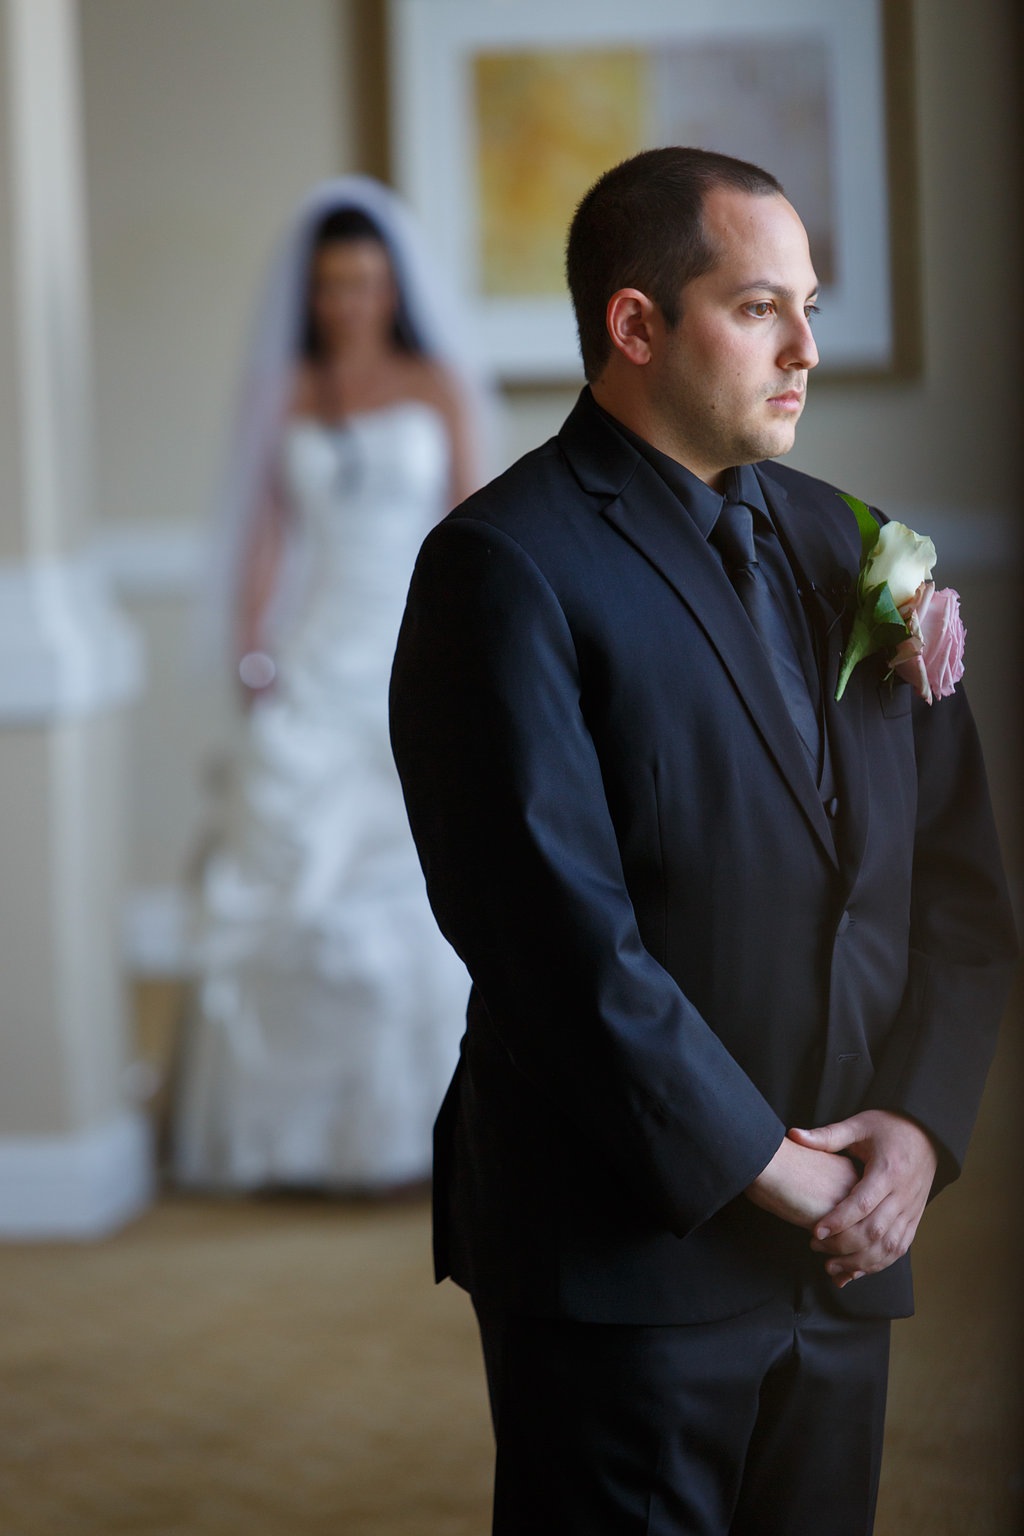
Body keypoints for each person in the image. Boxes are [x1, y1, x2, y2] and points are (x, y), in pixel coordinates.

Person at [389, 147, 1017, 1533]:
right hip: (626, 1255)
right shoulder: (503, 568)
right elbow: (555, 941)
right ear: (635, 326)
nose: (805, 348)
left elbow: (961, 892)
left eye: (807, 305)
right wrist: (777, 1168)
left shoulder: (860, 547)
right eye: (757, 309)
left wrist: (910, 1136)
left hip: (848, 1250)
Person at [173, 176, 482, 1193]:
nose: (349, 300)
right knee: (287, 875)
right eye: (331, 284)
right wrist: (250, 652)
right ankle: (286, 1142)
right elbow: (262, 536)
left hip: (415, 652)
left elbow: (469, 528)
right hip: (316, 661)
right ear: (310, 294)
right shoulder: (286, 394)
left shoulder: (436, 383)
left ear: (394, 286)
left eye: (366, 281)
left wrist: (475, 653)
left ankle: (420, 1134)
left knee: (421, 884)